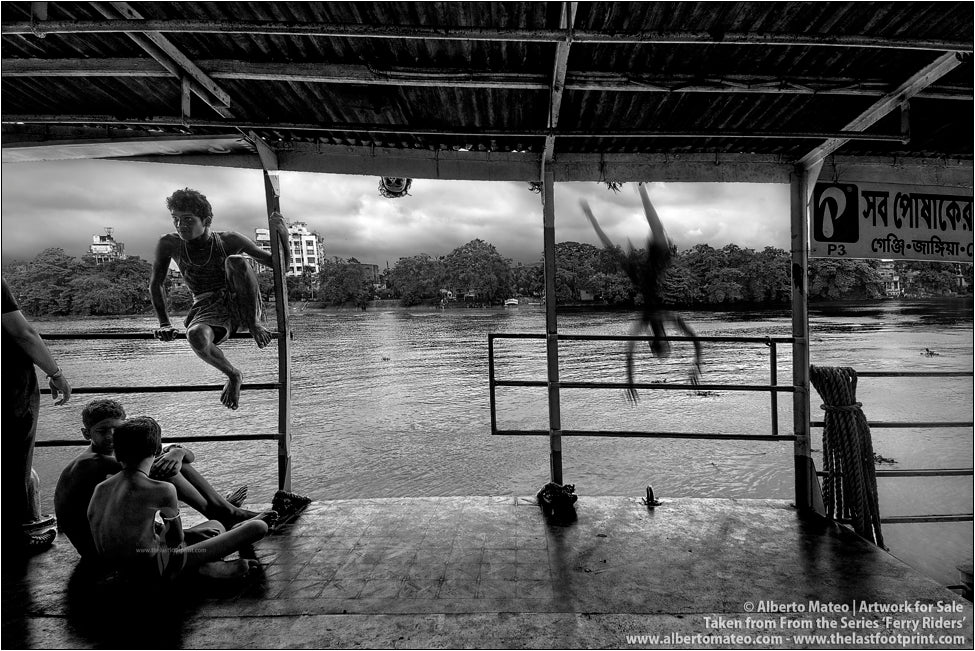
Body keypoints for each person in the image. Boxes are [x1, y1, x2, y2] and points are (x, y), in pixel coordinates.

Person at [55, 398, 264, 561]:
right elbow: (156, 465)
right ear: (86, 434)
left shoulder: (117, 455)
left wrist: (178, 451)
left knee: (171, 463)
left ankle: (224, 511)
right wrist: (175, 454)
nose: (111, 436)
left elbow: (177, 458)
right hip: (98, 550)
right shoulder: (92, 462)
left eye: (117, 430)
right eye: (102, 431)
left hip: (119, 544)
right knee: (168, 470)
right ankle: (224, 513)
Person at [149, 188, 290, 410]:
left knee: (236, 261)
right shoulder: (169, 243)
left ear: (206, 220)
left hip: (242, 304)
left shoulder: (229, 240)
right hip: (205, 308)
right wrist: (164, 323)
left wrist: (283, 234)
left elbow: (281, 267)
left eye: (187, 219)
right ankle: (233, 375)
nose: (180, 225)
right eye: (175, 219)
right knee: (195, 335)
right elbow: (156, 283)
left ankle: (254, 324)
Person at [88, 416, 271, 582]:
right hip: (156, 569)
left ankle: (203, 566)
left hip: (116, 571)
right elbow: (175, 541)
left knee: (214, 526)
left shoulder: (101, 488)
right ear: (158, 449)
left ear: (117, 453)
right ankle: (201, 568)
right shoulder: (162, 489)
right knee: (255, 527)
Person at [580, 183, 703, 403]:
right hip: (646, 275)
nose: (668, 343)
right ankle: (634, 193)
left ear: (662, 340)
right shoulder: (653, 320)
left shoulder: (658, 319)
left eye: (666, 345)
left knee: (650, 234)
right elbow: (630, 353)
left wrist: (630, 382)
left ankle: (640, 190)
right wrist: (695, 364)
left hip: (646, 274)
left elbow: (693, 339)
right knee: (625, 243)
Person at [2, 277, 72, 554]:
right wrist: (56, 374)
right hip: (9, 383)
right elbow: (22, 333)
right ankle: (13, 538)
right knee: (12, 461)